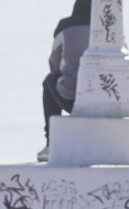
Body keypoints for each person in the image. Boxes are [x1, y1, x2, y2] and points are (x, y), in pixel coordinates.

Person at [39, 0, 91, 162]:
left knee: (49, 81)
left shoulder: (65, 27)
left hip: (72, 99)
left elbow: (54, 63)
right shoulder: (109, 32)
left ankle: (51, 143)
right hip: (108, 98)